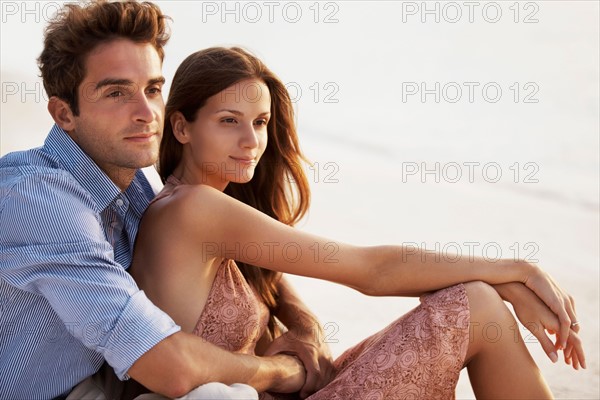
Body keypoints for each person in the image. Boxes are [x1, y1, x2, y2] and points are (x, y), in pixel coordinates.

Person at [128, 46, 586, 399]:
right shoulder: (195, 210)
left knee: (478, 301)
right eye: (229, 121)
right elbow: (369, 270)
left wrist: (305, 329)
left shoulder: (198, 209)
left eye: (262, 121)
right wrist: (514, 272)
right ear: (182, 128)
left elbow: (280, 290)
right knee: (479, 305)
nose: (252, 141)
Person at [0, 2, 320, 399]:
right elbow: (170, 366)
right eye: (117, 92)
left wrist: (302, 322)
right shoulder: (37, 200)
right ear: (64, 114)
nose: (146, 113)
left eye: (152, 89)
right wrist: (281, 370)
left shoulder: (133, 187)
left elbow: (244, 250)